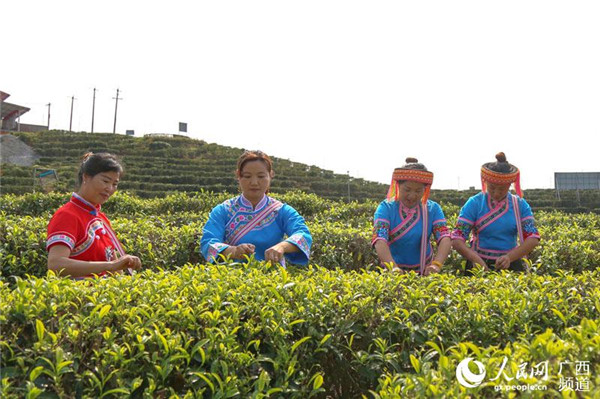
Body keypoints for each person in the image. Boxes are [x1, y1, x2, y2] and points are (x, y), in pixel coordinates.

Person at [200, 150, 312, 266]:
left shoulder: (281, 211)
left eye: (261, 176)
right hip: (231, 278)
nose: (254, 182)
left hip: (273, 279)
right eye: (247, 176)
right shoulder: (223, 211)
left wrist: (282, 247)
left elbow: (303, 235)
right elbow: (208, 242)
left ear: (270, 175)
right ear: (238, 175)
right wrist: (233, 251)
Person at [46, 153, 142, 278]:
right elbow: (56, 264)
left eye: (115, 184)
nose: (110, 188)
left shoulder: (100, 217)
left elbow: (114, 266)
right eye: (105, 181)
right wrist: (110, 265)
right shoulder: (67, 215)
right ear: (86, 177)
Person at [451, 152, 540, 272]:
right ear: (485, 182)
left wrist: (509, 257)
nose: (496, 193)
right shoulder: (474, 203)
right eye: (492, 187)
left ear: (509, 185)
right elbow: (457, 238)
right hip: (478, 263)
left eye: (502, 189)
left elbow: (533, 238)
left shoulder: (520, 205)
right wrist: (476, 260)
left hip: (511, 263)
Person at [372, 158, 451, 275]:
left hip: (424, 271)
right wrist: (393, 267)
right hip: (391, 272)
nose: (412, 196)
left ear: (425, 189)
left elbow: (444, 237)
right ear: (398, 185)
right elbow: (380, 239)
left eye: (418, 191)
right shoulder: (386, 208)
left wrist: (436, 265)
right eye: (407, 190)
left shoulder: (432, 209)